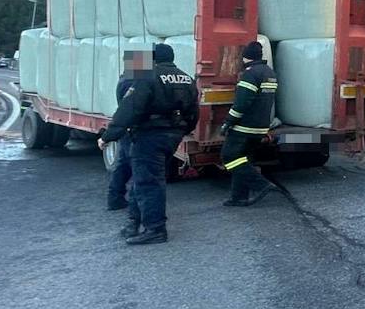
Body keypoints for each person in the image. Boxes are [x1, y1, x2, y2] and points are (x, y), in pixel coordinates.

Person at [99, 42, 197, 245]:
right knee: (142, 178)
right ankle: (134, 223)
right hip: (173, 135)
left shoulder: (147, 77)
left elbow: (130, 108)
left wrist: (108, 136)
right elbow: (194, 112)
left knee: (148, 181)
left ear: (154, 58)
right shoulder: (187, 78)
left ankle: (155, 229)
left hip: (149, 135)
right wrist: (181, 131)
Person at [221, 40, 278, 207]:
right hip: (261, 126)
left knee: (229, 157)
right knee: (243, 158)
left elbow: (241, 103)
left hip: (244, 126)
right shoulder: (269, 72)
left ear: (245, 57)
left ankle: (261, 185)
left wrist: (228, 122)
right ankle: (239, 197)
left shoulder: (250, 74)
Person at [103, 51, 145, 213]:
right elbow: (132, 107)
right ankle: (118, 198)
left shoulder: (126, 79)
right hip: (131, 128)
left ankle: (115, 197)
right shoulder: (131, 83)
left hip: (129, 128)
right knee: (129, 164)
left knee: (124, 163)